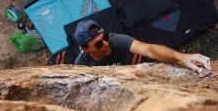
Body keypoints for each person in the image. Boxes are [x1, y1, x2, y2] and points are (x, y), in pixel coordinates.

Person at [74, 20, 211, 73]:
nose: (105, 43)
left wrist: (181, 57)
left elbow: (148, 49)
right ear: (85, 49)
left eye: (105, 37)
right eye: (98, 44)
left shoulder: (115, 40)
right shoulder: (81, 65)